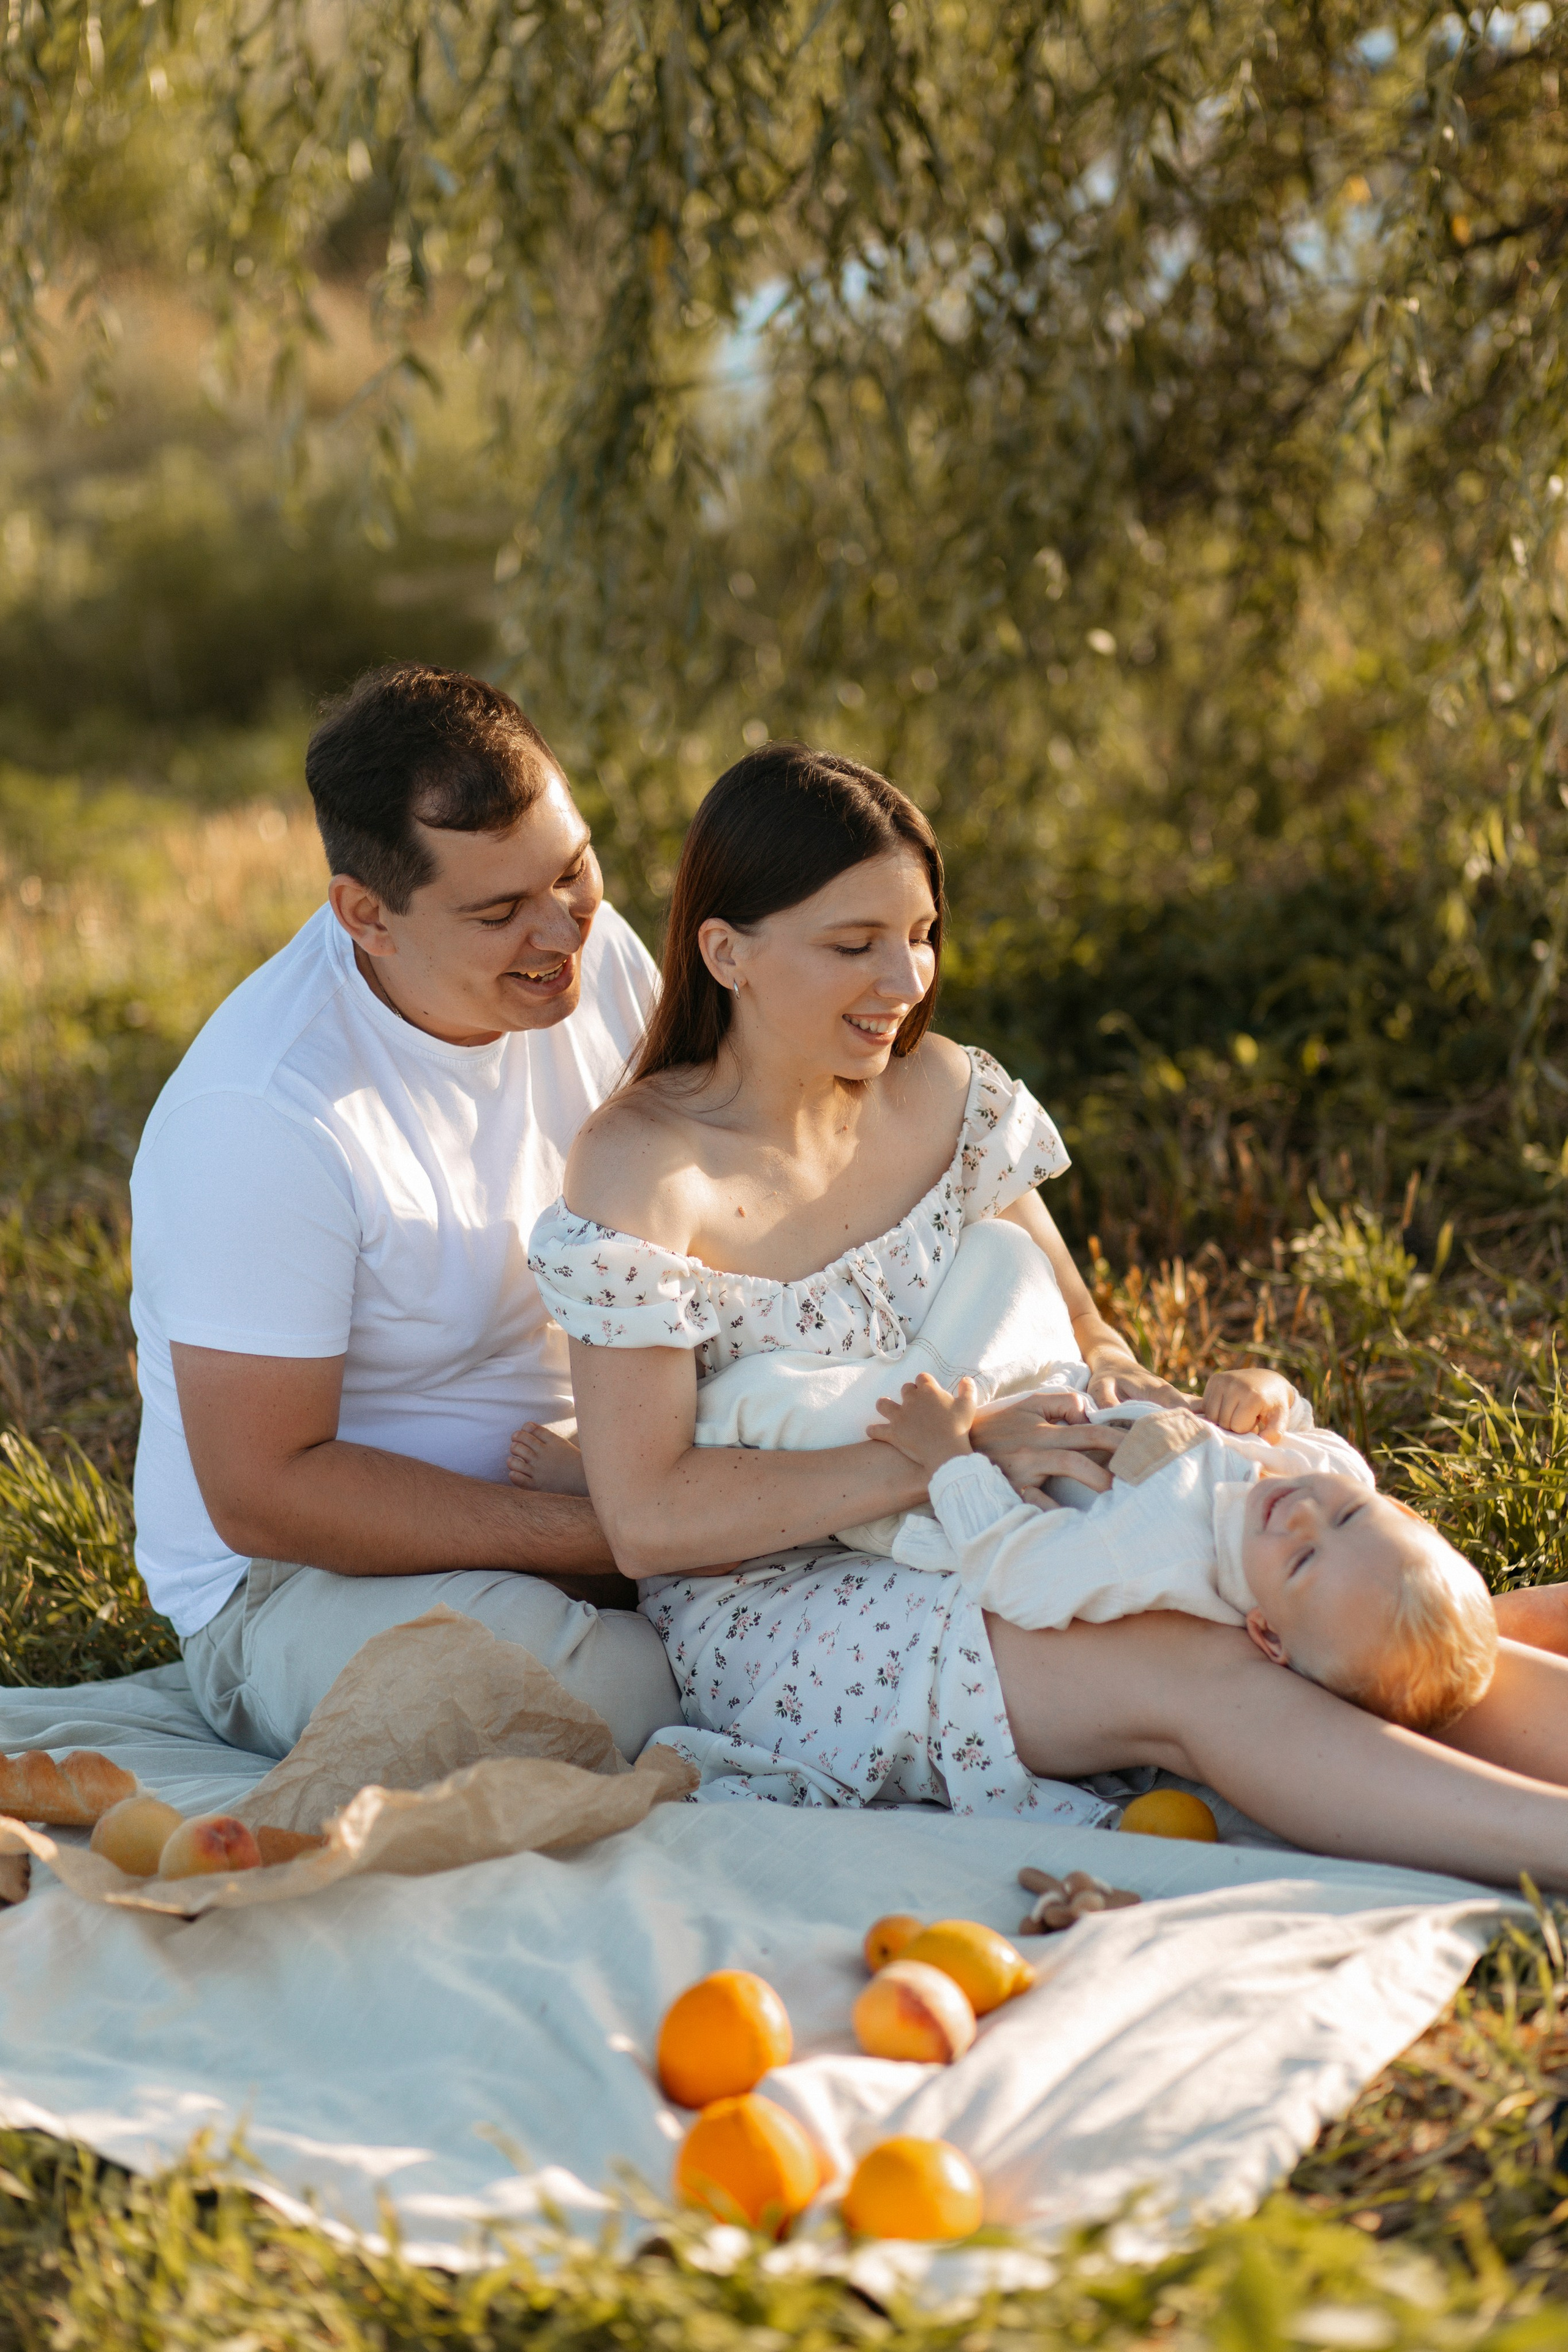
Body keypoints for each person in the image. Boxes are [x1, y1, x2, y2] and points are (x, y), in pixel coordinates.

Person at [524, 739, 1568, 1886]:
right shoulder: (641, 1173)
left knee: (1379, 1623)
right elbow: (650, 1519)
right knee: (1207, 1661)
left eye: (920, 935)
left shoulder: (949, 1093)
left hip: (1046, 1498)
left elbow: (1088, 1340)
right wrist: (947, 1462)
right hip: (791, 1602)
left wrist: (1182, 1420)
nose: (907, 981)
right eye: (854, 944)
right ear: (726, 951)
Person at [129, 664, 684, 1762]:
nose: (561, 931)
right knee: (597, 1693)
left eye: (573, 872)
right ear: (366, 917)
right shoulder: (262, 1113)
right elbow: (266, 1492)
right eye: (498, 912)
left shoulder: (592, 957)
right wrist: (626, 1536)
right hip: (299, 1584)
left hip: (606, 1481)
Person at [868, 1363, 1498, 1735]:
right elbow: (1298, 1425)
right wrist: (1265, 1389)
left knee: (802, 1408)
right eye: (1352, 1515)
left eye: (1302, 1561)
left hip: (942, 1481)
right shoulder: (1336, 1475)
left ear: (1268, 1634)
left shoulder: (1160, 1550)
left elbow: (1018, 1573)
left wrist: (947, 1457)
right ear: (1398, 1508)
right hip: (1054, 1390)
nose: (1305, 1513)